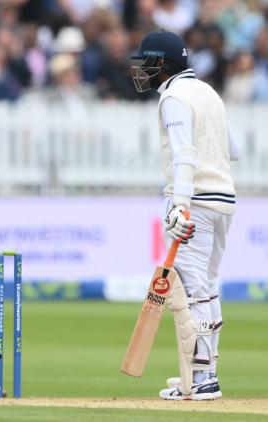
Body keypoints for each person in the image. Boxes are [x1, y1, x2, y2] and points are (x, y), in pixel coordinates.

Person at [131, 30, 238, 401]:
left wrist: (180, 204)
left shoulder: (174, 97)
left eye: (146, 61)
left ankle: (204, 378)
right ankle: (203, 372)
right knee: (206, 286)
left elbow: (184, 154)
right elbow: (233, 148)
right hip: (225, 199)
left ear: (162, 63)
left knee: (193, 293)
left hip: (196, 202)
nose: (141, 69)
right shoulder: (208, 92)